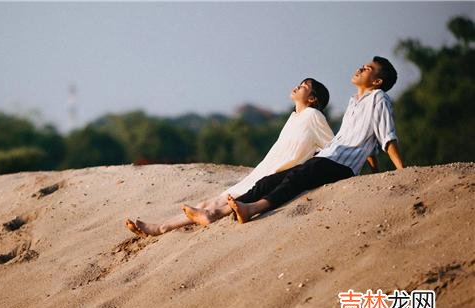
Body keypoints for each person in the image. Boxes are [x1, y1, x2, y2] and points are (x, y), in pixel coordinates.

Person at [196, 56, 404, 225]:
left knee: (296, 178)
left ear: (377, 82)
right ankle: (220, 212)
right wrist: (375, 174)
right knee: (268, 181)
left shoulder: (379, 98)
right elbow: (369, 146)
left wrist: (402, 172)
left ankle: (253, 209)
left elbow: (386, 137)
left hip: (341, 164)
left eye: (367, 68)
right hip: (328, 157)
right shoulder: (354, 102)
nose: (360, 69)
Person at [126, 77, 334, 236]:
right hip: (263, 170)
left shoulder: (314, 116)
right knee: (212, 201)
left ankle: (160, 228)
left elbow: (332, 147)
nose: (298, 86)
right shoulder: (294, 117)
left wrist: (307, 164)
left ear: (312, 98)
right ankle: (161, 227)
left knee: (218, 203)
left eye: (305, 86)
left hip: (274, 176)